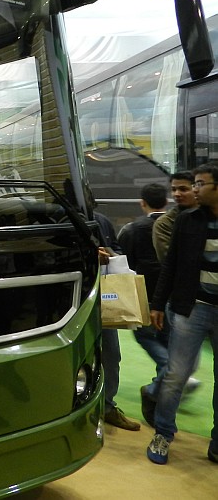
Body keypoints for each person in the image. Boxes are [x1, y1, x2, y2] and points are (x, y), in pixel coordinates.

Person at [146, 163, 218, 465]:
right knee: (176, 375)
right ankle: (163, 433)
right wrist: (157, 304)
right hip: (192, 309)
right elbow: (171, 265)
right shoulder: (187, 220)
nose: (195, 189)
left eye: (200, 184)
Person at [117, 183, 168, 426]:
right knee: (167, 343)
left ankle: (162, 379)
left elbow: (124, 263)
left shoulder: (132, 229)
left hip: (142, 296)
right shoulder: (176, 226)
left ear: (142, 203)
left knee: (148, 339)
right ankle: (161, 392)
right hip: (170, 298)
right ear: (166, 202)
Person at [96, 208, 141, 431]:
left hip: (106, 299)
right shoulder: (58, 218)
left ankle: (107, 407)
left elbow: (117, 248)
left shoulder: (102, 220)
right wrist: (89, 255)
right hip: (71, 302)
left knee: (111, 355)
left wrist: (110, 254)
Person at [153, 171, 196, 264]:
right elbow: (169, 259)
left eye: (183, 189)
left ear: (197, 189)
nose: (177, 194)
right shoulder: (165, 223)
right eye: (173, 189)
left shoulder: (210, 216)